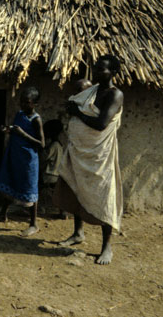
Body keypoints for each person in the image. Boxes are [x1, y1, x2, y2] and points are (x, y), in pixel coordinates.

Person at [54, 55, 124, 265]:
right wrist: (73, 109)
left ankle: (106, 247)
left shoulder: (115, 94)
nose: (95, 72)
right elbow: (75, 106)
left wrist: (77, 113)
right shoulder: (91, 91)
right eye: (95, 68)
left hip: (99, 155)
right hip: (80, 151)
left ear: (113, 72)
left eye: (101, 69)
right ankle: (78, 233)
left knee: (104, 194)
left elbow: (101, 124)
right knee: (77, 187)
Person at [0, 86, 45, 237]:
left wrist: (22, 134)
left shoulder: (36, 120)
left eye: (27, 102)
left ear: (35, 104)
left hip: (28, 161)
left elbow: (41, 144)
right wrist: (8, 130)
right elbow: (16, 129)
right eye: (21, 101)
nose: (23, 105)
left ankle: (33, 223)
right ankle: (3, 214)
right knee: (10, 182)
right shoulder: (20, 114)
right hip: (14, 155)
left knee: (30, 189)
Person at [39, 119, 65, 217]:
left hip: (49, 174)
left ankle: (39, 209)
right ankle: (61, 212)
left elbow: (43, 157)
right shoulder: (59, 145)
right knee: (57, 193)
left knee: (36, 188)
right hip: (56, 174)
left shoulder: (53, 145)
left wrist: (41, 148)